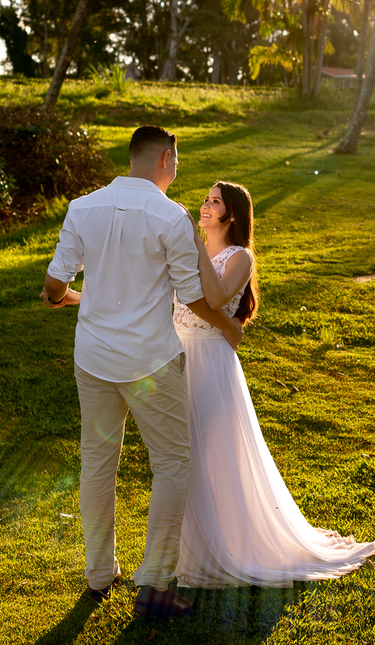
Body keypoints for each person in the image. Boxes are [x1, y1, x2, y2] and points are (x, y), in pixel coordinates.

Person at [41, 126, 242, 619]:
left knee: (97, 462)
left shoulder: (82, 207)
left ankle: (98, 574)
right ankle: (153, 584)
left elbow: (52, 284)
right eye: (177, 161)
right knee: (172, 464)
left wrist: (67, 298)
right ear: (165, 159)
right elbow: (195, 294)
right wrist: (228, 324)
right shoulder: (170, 216)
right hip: (149, 363)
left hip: (93, 359)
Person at [173, 181, 375, 588]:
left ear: (232, 215)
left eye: (214, 202)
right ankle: (186, 546)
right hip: (179, 359)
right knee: (183, 453)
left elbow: (215, 296)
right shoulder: (194, 251)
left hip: (211, 362)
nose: (205, 206)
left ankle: (226, 547)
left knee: (213, 453)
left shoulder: (238, 256)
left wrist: (193, 246)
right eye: (206, 201)